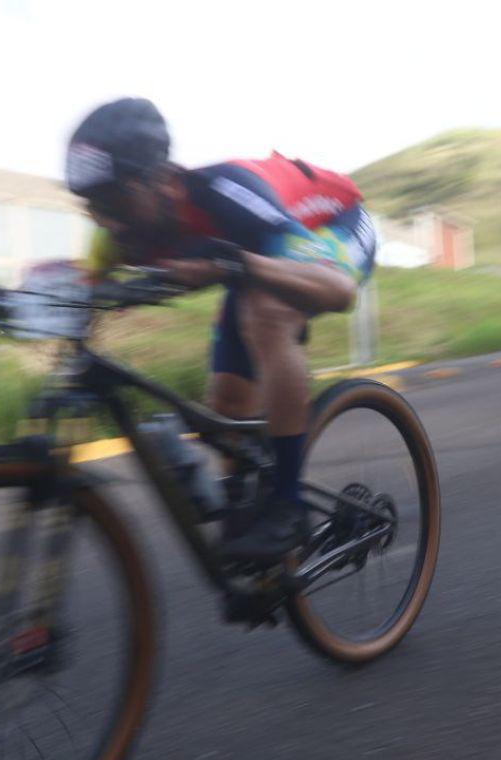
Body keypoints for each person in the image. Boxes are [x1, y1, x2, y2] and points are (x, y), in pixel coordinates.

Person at [65, 97, 377, 563]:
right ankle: (245, 506)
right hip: (250, 261)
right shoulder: (111, 234)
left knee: (266, 312)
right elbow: (77, 302)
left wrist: (230, 263)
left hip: (331, 228)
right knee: (228, 404)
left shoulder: (226, 192)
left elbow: (337, 291)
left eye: (117, 201)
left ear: (165, 181)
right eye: (93, 207)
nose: (108, 221)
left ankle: (289, 507)